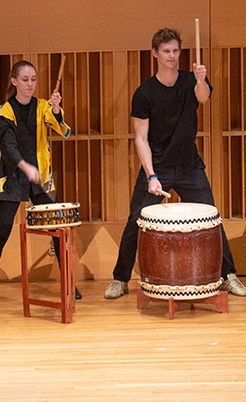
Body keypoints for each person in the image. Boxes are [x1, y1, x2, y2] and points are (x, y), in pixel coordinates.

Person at [105, 28, 246, 298]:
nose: (172, 56)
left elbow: (203, 97)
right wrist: (151, 176)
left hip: (189, 166)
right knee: (137, 220)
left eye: (175, 51)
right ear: (155, 54)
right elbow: (140, 139)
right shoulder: (144, 93)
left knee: (211, 219)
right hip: (157, 166)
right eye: (166, 51)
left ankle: (227, 275)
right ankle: (120, 279)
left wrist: (201, 79)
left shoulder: (190, 81)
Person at [0, 60, 79, 298]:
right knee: (1, 233)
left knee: (57, 229)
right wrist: (25, 165)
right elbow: (7, 146)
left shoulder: (43, 106)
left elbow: (62, 129)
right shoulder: (3, 112)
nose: (30, 84)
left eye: (33, 79)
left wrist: (56, 109)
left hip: (41, 177)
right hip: (12, 177)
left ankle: (68, 283)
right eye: (25, 80)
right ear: (14, 81)